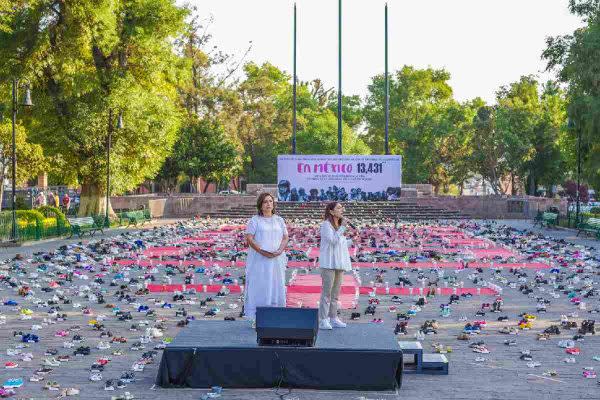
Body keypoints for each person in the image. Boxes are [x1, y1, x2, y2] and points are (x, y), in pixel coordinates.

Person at [244, 193, 289, 326]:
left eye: (270, 201)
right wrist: (262, 251)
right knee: (261, 286)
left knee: (275, 285)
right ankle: (258, 318)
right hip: (260, 259)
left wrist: (280, 250)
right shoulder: (255, 220)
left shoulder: (279, 220)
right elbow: (249, 238)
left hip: (276, 258)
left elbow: (285, 237)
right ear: (260, 205)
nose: (268, 204)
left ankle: (275, 316)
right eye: (265, 202)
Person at [318, 202, 353, 330]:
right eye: (338, 208)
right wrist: (343, 227)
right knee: (327, 293)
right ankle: (323, 319)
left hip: (339, 263)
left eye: (341, 207)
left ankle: (333, 318)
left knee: (335, 294)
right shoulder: (326, 225)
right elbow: (332, 241)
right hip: (328, 264)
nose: (341, 209)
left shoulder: (338, 226)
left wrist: (353, 240)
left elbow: (340, 245)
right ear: (331, 212)